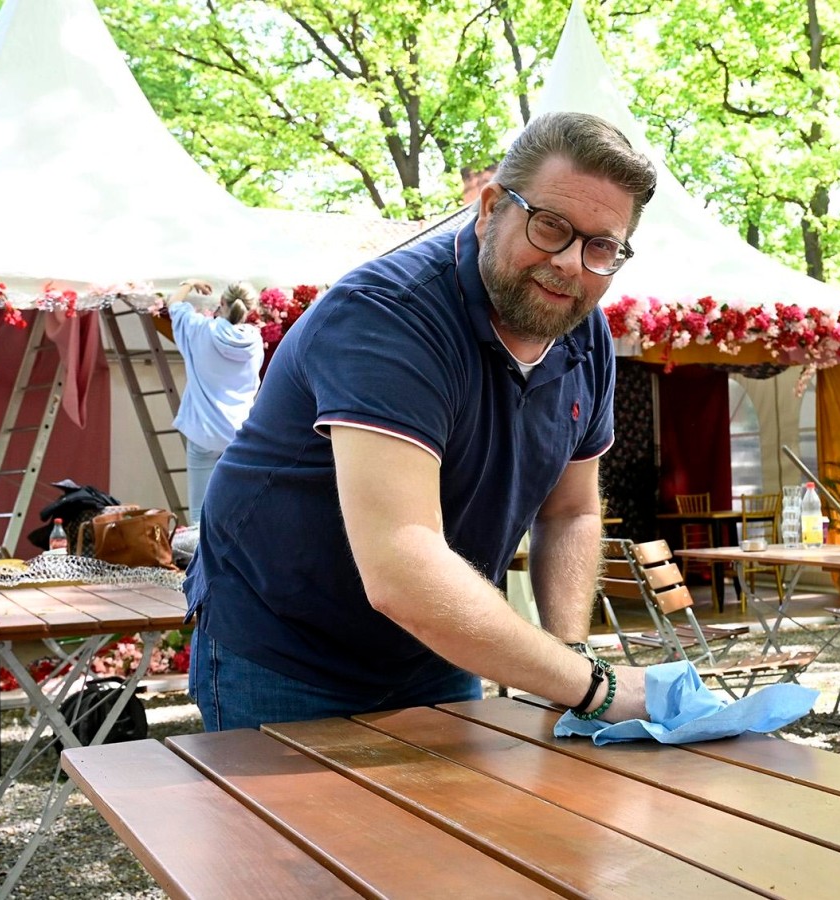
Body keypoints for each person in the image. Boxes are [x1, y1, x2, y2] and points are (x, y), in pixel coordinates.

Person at [186, 112, 658, 731]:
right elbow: (402, 568)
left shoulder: (584, 333)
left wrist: (570, 657)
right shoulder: (387, 316)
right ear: (490, 209)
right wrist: (596, 688)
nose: (572, 263)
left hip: (438, 646)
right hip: (284, 650)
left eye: (601, 247)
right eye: (550, 226)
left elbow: (570, 512)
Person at [166, 280, 264, 526]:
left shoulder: (201, 330)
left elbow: (174, 304)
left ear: (222, 303)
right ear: (250, 309)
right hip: (238, 434)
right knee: (234, 512)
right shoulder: (254, 342)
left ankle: (201, 552)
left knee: (199, 515)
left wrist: (190, 284)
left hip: (204, 433)